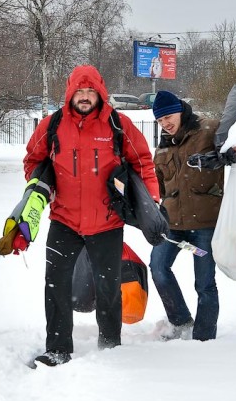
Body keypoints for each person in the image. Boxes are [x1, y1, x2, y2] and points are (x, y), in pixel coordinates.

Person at [23, 65, 160, 366]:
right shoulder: (53, 125)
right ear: (70, 93)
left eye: (90, 92)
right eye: (79, 92)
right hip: (64, 220)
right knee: (55, 284)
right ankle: (58, 348)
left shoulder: (118, 124)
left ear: (100, 93)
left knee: (108, 287)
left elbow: (143, 163)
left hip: (107, 222)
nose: (85, 97)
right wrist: (39, 188)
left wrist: (149, 201)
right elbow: (33, 160)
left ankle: (110, 345)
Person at [150, 90, 236, 341]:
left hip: (205, 225)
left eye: (168, 116)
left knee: (204, 283)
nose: (165, 123)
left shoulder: (210, 130)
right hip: (172, 225)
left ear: (181, 110)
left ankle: (204, 338)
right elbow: (159, 187)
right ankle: (181, 321)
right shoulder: (163, 147)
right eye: (160, 120)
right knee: (158, 268)